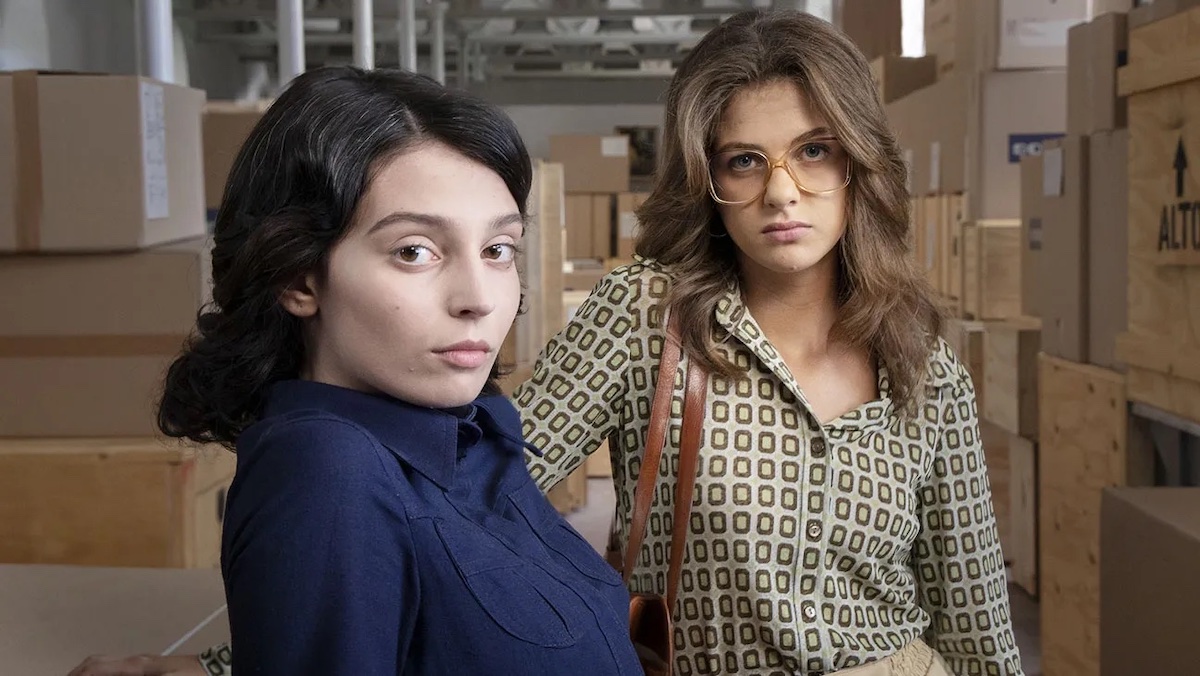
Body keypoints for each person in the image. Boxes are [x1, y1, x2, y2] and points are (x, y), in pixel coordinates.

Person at [69, 8, 1025, 676]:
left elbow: (975, 607)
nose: (783, 191)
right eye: (745, 161)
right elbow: (466, 508)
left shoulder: (922, 362)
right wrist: (254, 657)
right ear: (708, 180)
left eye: (815, 152)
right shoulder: (647, 317)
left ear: (860, 163)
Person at [68, 65, 646, 676]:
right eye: (415, 251)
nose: (478, 297)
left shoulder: (477, 429)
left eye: (496, 249)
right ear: (298, 276)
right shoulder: (327, 472)